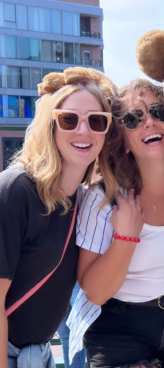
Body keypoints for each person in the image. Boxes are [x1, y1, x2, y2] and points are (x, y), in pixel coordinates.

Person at [68, 79, 164, 368]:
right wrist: (126, 238)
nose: (149, 122)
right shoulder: (104, 198)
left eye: (158, 112)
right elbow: (95, 292)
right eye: (132, 119)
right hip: (119, 330)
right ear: (122, 141)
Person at [0, 67, 116, 368]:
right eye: (68, 119)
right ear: (49, 126)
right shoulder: (16, 190)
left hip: (37, 355)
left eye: (96, 121)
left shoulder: (83, 199)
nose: (83, 130)